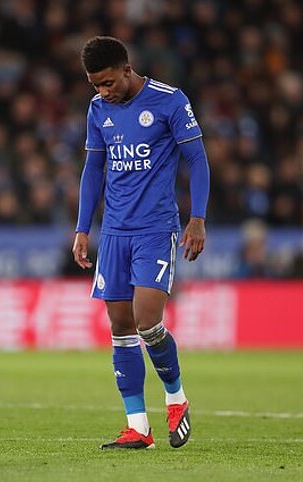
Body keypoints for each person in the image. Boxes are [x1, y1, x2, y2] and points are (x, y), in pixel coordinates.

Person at [72, 37, 209, 450]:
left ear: (127, 70)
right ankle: (138, 427)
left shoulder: (169, 100)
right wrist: (82, 228)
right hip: (114, 232)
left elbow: (197, 159)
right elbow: (93, 169)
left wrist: (197, 219)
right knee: (120, 327)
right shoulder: (98, 109)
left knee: (147, 321)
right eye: (96, 85)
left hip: (154, 229)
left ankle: (176, 398)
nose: (103, 91)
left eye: (109, 82)